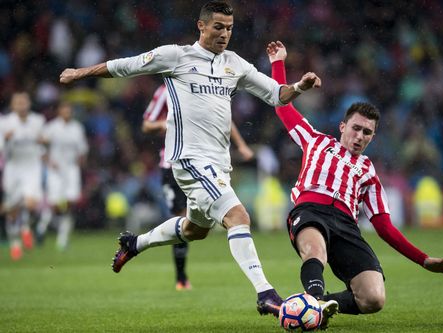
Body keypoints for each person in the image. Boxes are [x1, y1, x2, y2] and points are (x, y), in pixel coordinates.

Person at [59, 0, 319, 316]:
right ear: (202, 25)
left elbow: (277, 95)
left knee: (196, 230)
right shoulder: (176, 56)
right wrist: (79, 73)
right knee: (239, 217)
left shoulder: (235, 64)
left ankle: (134, 244)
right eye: (218, 27)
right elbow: (125, 66)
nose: (225, 34)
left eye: (230, 28)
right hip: (189, 160)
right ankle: (266, 294)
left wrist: (299, 86)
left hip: (219, 163)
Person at [266, 41, 443, 328]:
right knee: (315, 252)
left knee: (373, 298)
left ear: (372, 137)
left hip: (346, 226)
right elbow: (282, 108)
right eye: (356, 128)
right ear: (343, 127)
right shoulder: (315, 140)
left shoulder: (369, 171)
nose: (360, 136)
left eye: (367, 132)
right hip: (310, 211)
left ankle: (308, 307)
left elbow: (384, 226)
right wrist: (278, 63)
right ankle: (313, 313)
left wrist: (423, 260)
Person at [142, 84, 254, 291]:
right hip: (173, 164)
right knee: (181, 217)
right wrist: (166, 124)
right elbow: (146, 125)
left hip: (205, 163)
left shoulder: (204, 86)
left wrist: (241, 145)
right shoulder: (164, 91)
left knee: (199, 226)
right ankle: (181, 276)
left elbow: (224, 119)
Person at [36, 101, 88, 250]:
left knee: (71, 204)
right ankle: (42, 227)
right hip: (56, 170)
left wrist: (80, 164)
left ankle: (62, 240)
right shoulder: (52, 127)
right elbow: (40, 148)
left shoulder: (77, 128)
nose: (67, 113)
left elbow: (82, 150)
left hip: (71, 169)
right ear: (59, 111)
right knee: (54, 204)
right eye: (64, 110)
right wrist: (48, 161)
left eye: (69, 111)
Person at [1, 91, 45, 260]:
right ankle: (15, 243)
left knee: (31, 203)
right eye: (17, 102)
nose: (21, 105)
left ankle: (26, 227)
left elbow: (44, 143)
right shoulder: (5, 123)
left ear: (29, 104)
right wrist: (4, 139)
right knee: (12, 210)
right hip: (13, 168)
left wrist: (43, 142)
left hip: (32, 166)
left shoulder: (38, 121)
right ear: (12, 105)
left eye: (24, 102)